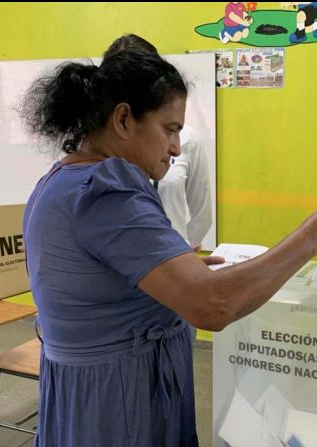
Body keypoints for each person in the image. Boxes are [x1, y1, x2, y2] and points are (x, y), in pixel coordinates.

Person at [21, 44, 317, 447]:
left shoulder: (64, 179)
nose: (177, 147)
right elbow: (212, 305)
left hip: (88, 393)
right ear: (123, 120)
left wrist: (174, 266)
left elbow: (98, 276)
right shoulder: (108, 191)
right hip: (118, 401)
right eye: (169, 129)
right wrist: (313, 235)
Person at [104, 34, 213, 344]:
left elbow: (201, 209)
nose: (174, 146)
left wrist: (178, 253)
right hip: (123, 292)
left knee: (175, 367)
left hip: (174, 275)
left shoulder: (184, 141)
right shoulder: (96, 162)